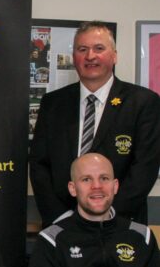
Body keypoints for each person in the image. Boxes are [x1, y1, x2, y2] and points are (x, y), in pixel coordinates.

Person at [29, 20, 160, 226]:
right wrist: (61, 218)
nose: (90, 56)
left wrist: (107, 216)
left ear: (114, 55)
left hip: (121, 224)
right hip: (62, 225)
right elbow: (39, 165)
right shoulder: (53, 103)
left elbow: (145, 168)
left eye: (99, 48)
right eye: (83, 49)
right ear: (74, 57)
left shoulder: (143, 102)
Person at [24, 153, 160, 267]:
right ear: (73, 189)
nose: (97, 186)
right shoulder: (52, 239)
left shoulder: (141, 236)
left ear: (115, 186)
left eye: (104, 178)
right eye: (86, 179)